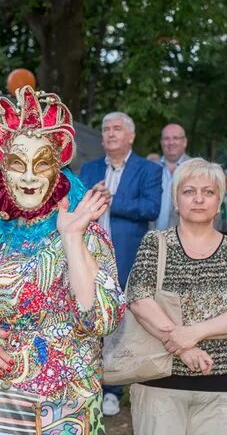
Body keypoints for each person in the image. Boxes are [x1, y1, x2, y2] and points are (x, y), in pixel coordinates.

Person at [0, 86, 125, 434]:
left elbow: (102, 319)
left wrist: (72, 238)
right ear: (0, 171)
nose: (29, 176)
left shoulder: (81, 231)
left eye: (41, 164)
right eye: (18, 164)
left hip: (51, 414)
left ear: (58, 172)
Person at [126, 158, 227, 435]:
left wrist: (194, 333)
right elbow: (138, 299)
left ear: (219, 201)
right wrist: (184, 347)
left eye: (208, 192)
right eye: (189, 191)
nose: (198, 199)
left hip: (221, 387)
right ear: (176, 200)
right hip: (159, 381)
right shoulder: (155, 242)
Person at [79, 110, 161, 416]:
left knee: (120, 323)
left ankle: (113, 388)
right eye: (106, 129)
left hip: (127, 258)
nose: (110, 134)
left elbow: (151, 208)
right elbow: (74, 204)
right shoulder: (88, 169)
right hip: (88, 258)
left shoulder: (147, 170)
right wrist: (89, 198)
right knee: (90, 320)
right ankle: (89, 383)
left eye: (116, 129)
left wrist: (113, 199)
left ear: (131, 136)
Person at [154, 123, 190, 230]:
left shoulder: (196, 169)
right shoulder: (150, 168)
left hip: (184, 239)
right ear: (161, 142)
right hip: (152, 239)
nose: (171, 142)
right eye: (166, 138)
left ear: (184, 142)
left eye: (175, 138)